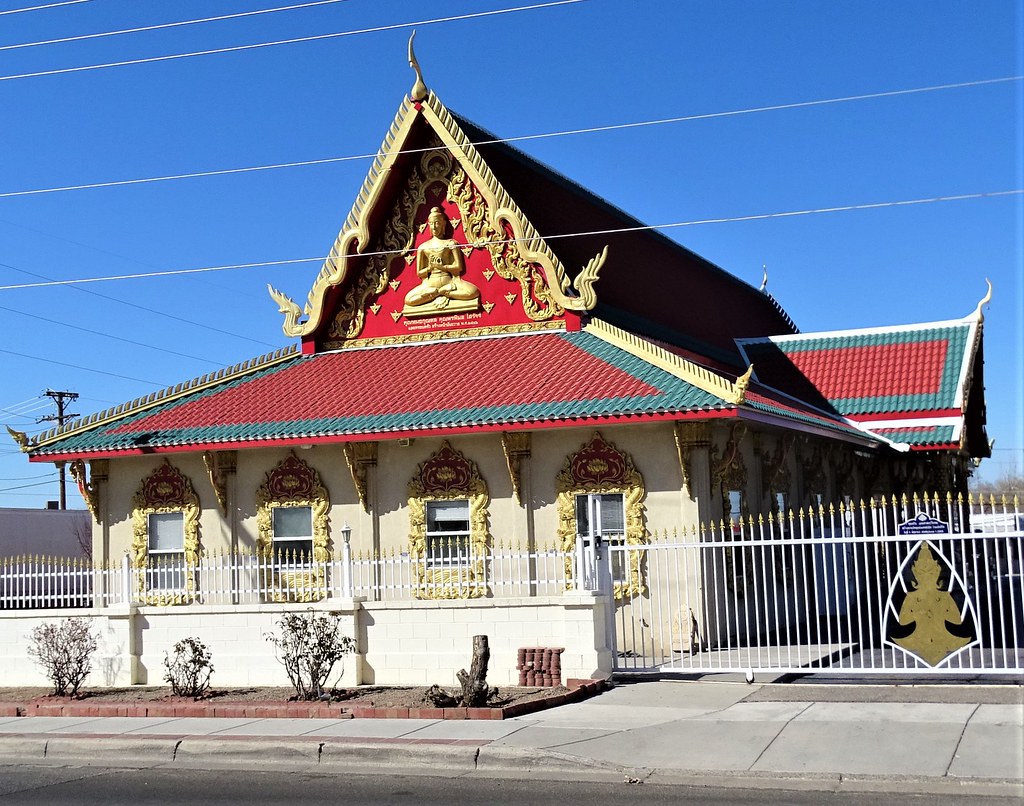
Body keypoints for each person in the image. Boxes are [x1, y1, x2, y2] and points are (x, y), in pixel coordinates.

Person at [403, 207, 480, 314]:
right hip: (430, 284)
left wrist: (442, 267)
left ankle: (444, 293)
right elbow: (419, 273)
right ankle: (437, 293)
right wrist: (430, 268)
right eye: (431, 224)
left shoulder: (451, 244)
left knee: (473, 292)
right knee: (408, 300)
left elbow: (458, 267)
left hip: (449, 281)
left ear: (443, 224)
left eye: (437, 223)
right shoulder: (423, 247)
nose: (434, 227)